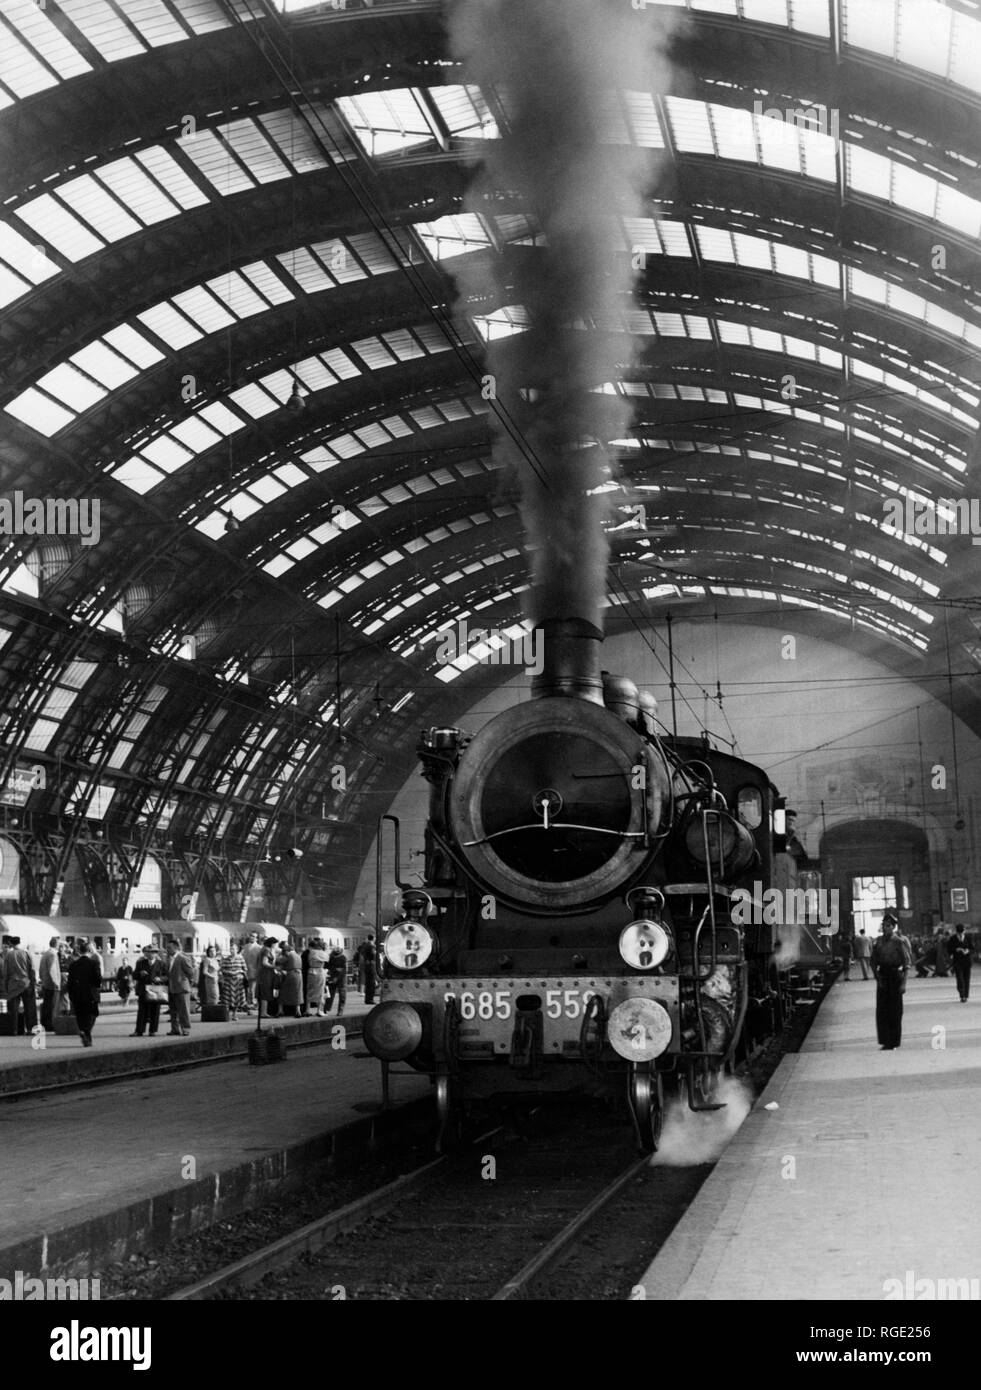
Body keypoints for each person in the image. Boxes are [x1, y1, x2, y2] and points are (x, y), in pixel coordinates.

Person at [871, 914, 907, 1050]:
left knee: (895, 1011)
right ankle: (885, 1041)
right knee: (882, 1011)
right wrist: (877, 978)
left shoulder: (899, 942)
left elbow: (906, 963)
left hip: (895, 975)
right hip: (883, 977)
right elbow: (873, 962)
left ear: (893, 927)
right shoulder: (878, 942)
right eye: (884, 925)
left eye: (888, 925)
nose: (885, 928)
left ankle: (894, 1042)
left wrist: (904, 983)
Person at [66, 939, 102, 1047]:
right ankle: (86, 1031)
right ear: (89, 950)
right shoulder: (94, 963)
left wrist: (71, 995)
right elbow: (98, 980)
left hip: (77, 994)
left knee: (80, 1015)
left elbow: (70, 982)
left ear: (80, 951)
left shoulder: (73, 965)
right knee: (92, 1014)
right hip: (91, 994)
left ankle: (83, 1031)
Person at [1, 935, 37, 1035]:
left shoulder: (9, 955)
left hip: (13, 985)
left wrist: (6, 986)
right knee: (29, 1008)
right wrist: (32, 983)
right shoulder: (26, 953)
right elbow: (32, 969)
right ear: (19, 942)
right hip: (26, 983)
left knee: (13, 1009)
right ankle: (30, 1030)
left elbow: (5, 972)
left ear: (11, 944)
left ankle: (14, 1030)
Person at [132, 944, 167, 1036]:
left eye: (153, 952)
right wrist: (140, 973)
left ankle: (153, 1030)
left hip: (156, 990)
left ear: (156, 954)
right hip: (143, 990)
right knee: (142, 1011)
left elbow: (167, 976)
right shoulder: (140, 963)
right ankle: (139, 1030)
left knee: (155, 1010)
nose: (151, 954)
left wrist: (160, 979)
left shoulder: (161, 964)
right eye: (149, 952)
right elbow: (134, 975)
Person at [165, 938, 194, 1036]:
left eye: (169, 947)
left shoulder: (182, 958)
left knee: (183, 1010)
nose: (167, 949)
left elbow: (190, 972)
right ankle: (175, 1029)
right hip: (172, 987)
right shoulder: (168, 959)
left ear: (176, 948)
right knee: (173, 1011)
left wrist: (186, 982)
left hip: (182, 988)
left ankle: (185, 1028)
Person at [219, 941, 248, 1021]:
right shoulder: (226, 959)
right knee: (227, 999)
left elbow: (245, 969)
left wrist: (239, 972)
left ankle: (234, 1014)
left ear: (237, 950)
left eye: (234, 949)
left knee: (237, 999)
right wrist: (228, 972)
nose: (232, 950)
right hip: (228, 981)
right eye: (231, 949)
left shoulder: (240, 958)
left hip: (238, 981)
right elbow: (222, 969)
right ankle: (227, 1015)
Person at [38, 936, 62, 1031]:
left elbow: (40, 969)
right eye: (59, 944)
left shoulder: (46, 954)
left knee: (46, 1004)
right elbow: (52, 969)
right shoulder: (53, 954)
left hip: (46, 983)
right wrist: (56, 982)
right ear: (56, 944)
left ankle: (44, 1023)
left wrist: (42, 979)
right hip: (52, 984)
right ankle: (50, 1025)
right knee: (52, 1005)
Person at [277, 941, 303, 1017]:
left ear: (287, 951)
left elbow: (279, 961)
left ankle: (280, 1010)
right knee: (297, 992)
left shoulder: (288, 955)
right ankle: (298, 1011)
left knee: (282, 992)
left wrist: (279, 956)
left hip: (290, 974)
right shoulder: (297, 955)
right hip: (299, 974)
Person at [257, 938, 281, 1018]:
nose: (276, 945)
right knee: (266, 991)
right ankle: (264, 1012)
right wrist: (274, 967)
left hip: (266, 973)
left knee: (265, 991)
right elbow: (264, 962)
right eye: (275, 943)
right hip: (266, 973)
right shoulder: (267, 950)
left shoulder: (264, 949)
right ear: (272, 943)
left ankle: (263, 1011)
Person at [949, 923, 973, 1002]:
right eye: (959, 933)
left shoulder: (968, 938)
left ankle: (966, 995)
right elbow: (948, 950)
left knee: (967, 979)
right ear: (956, 932)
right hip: (957, 961)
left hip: (967, 961)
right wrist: (956, 949)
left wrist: (967, 950)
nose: (961, 934)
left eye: (962, 933)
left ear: (964, 931)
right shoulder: (952, 939)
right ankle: (962, 995)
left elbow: (972, 948)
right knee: (960, 979)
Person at [305, 938, 328, 1016]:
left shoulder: (311, 952)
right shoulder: (323, 953)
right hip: (320, 971)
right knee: (320, 991)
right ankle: (319, 1010)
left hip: (311, 971)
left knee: (310, 990)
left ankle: (307, 1010)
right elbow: (327, 960)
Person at [241, 932, 262, 1011]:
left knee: (252, 989)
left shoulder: (259, 948)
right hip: (245, 971)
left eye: (254, 936)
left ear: (256, 938)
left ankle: (252, 1004)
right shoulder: (245, 947)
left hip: (254, 971)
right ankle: (246, 1003)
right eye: (251, 936)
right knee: (246, 989)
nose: (252, 937)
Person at [326, 945, 348, 1017]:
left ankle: (332, 1009)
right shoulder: (335, 957)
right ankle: (334, 1010)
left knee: (335, 994)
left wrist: (335, 976)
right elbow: (342, 969)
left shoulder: (341, 958)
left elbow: (343, 970)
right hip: (338, 977)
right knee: (338, 994)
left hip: (339, 977)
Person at [358, 934, 378, 1005]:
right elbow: (373, 955)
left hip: (366, 966)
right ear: (373, 938)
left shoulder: (365, 946)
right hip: (371, 966)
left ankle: (367, 999)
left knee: (368, 983)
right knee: (371, 984)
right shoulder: (372, 946)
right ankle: (370, 999)